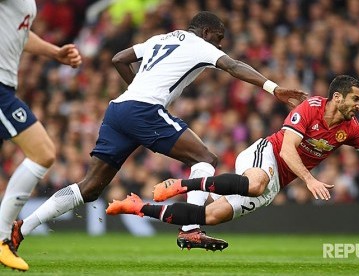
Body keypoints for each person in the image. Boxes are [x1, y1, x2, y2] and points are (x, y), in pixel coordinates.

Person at [8, 10, 307, 265]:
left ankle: (23, 226)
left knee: (89, 188)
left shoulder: (160, 39)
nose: (219, 45)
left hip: (118, 109)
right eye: (219, 39)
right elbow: (233, 66)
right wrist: (273, 88)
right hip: (143, 110)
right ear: (207, 32)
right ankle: (190, 228)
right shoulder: (199, 44)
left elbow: (118, 59)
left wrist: (138, 87)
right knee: (206, 159)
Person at [105, 75, 359, 249]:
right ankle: (183, 184)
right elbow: (287, 150)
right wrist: (310, 180)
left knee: (208, 216)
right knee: (256, 181)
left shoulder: (351, 129)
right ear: (337, 97)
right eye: (356, 99)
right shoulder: (310, 109)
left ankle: (136, 207)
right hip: (265, 154)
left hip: (278, 181)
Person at [0, 0, 82, 271]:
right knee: (42, 152)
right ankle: (2, 239)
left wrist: (55, 52)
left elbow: (19, 32)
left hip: (7, 87)